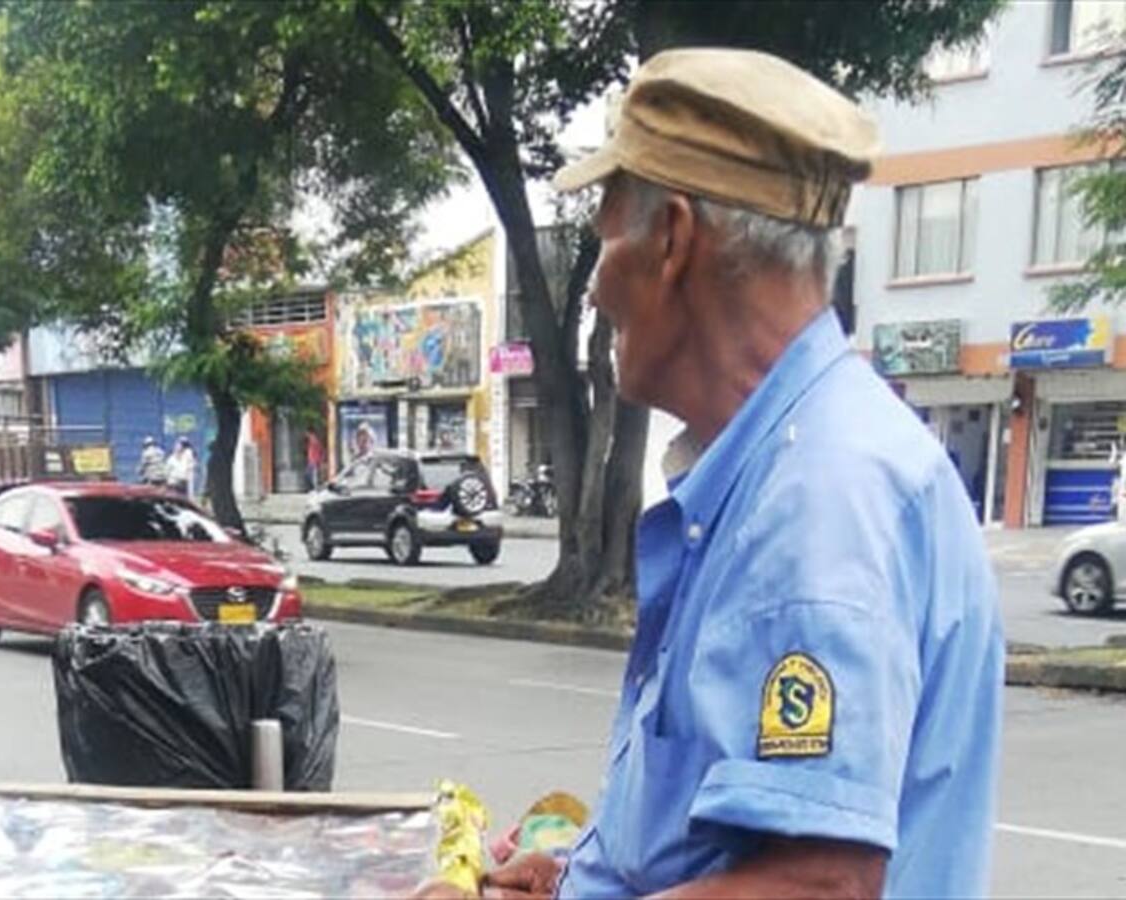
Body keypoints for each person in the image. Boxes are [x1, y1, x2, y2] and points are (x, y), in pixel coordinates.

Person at [416, 49, 1003, 900]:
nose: (592, 291)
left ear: (673, 240)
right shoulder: (785, 468)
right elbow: (727, 849)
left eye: (605, 235)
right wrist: (583, 872)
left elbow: (815, 887)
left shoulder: (816, 502)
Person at [166, 437, 196, 501]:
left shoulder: (188, 455)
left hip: (181, 484)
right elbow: (167, 472)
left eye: (183, 446)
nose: (180, 447)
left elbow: (189, 477)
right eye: (180, 444)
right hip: (173, 485)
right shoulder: (172, 458)